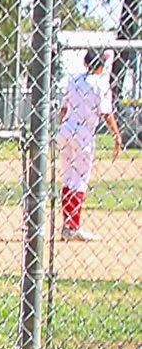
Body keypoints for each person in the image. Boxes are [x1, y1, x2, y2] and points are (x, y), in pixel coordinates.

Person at [60, 49, 119, 241]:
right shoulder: (101, 84)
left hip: (66, 129)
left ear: (86, 64)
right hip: (84, 133)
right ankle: (74, 226)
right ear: (100, 65)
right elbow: (106, 112)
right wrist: (116, 134)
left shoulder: (74, 80)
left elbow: (63, 109)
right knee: (80, 180)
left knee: (68, 178)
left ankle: (67, 225)